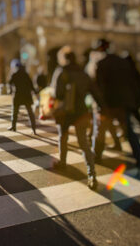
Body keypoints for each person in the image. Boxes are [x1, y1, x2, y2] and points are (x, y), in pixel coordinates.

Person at [92, 39, 140, 179]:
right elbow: (134, 82)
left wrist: (99, 105)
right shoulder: (123, 62)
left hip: (108, 105)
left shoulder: (101, 64)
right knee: (130, 133)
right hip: (124, 104)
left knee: (100, 132)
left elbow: (99, 87)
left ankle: (97, 157)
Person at [51, 46, 99, 190]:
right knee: (84, 143)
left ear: (63, 58)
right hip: (81, 112)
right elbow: (93, 91)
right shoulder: (83, 73)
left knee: (62, 137)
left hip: (65, 112)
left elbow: (57, 94)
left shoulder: (61, 71)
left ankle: (63, 162)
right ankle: (92, 174)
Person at [8, 59, 37, 134]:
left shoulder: (14, 74)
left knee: (15, 111)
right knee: (30, 112)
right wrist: (34, 91)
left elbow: (10, 83)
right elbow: (31, 84)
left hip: (17, 95)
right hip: (26, 95)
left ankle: (13, 126)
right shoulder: (26, 74)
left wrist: (10, 90)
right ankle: (34, 128)